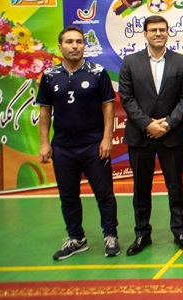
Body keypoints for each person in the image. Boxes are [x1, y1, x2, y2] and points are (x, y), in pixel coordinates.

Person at [37, 26, 119, 260]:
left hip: (93, 145)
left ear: (84, 46)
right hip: (63, 148)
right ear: (60, 47)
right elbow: (45, 111)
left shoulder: (97, 72)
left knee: (104, 194)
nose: (75, 46)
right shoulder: (50, 75)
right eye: (69, 42)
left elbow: (108, 107)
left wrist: (107, 138)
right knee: (68, 195)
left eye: (79, 42)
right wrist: (44, 143)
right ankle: (76, 238)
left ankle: (111, 235)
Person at [118, 15, 183, 255]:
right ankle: (142, 234)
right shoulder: (130, 62)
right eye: (153, 30)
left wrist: (168, 123)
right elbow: (127, 98)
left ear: (168, 32)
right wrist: (147, 124)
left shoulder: (181, 62)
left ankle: (179, 231)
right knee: (141, 188)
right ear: (145, 34)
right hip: (140, 136)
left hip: (172, 135)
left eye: (162, 29)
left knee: (176, 186)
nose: (158, 33)